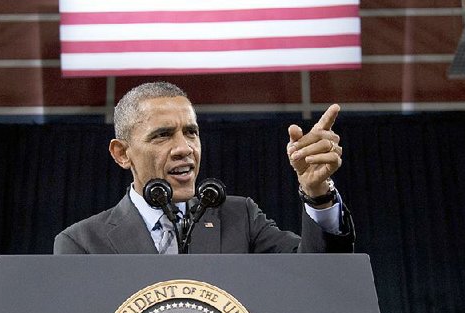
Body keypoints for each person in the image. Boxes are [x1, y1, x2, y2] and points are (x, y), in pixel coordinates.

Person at [54, 82, 354, 254]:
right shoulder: (82, 243)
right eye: (162, 135)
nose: (185, 148)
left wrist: (317, 194)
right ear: (122, 154)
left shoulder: (241, 218)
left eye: (191, 132)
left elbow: (316, 278)